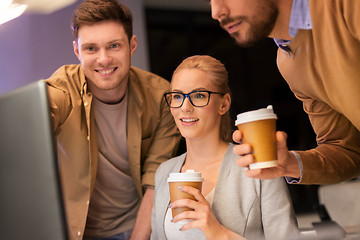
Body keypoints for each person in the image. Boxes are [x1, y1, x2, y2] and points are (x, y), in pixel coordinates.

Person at [44, 0, 180, 239]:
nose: (104, 59)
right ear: (77, 51)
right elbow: (42, 110)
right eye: (91, 49)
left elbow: (155, 179)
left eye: (114, 46)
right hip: (76, 229)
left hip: (136, 224)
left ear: (132, 45)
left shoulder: (161, 97)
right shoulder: (63, 88)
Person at [209, 0, 360, 184]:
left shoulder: (344, 5)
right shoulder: (288, 61)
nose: (216, 12)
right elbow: (347, 150)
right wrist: (288, 163)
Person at [151, 55, 299, 240]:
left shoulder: (257, 168)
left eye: (198, 95)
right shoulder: (164, 173)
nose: (185, 107)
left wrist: (219, 233)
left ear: (224, 104)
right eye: (177, 96)